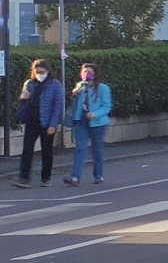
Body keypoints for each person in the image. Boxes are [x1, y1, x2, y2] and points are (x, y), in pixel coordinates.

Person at [61, 63, 113, 187]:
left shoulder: (102, 88)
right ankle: (75, 177)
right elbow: (75, 104)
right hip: (81, 121)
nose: (86, 74)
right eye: (84, 72)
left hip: (97, 123)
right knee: (80, 148)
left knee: (96, 149)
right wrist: (76, 92)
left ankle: (98, 175)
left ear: (94, 74)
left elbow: (107, 106)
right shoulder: (80, 87)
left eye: (89, 72)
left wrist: (95, 114)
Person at [14, 59, 63, 189]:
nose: (40, 74)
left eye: (42, 71)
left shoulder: (54, 85)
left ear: (47, 71)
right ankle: (24, 177)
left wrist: (53, 124)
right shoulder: (29, 83)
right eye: (37, 72)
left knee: (46, 150)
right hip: (32, 120)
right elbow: (24, 101)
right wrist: (23, 98)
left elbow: (57, 106)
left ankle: (46, 177)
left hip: (47, 122)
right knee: (27, 150)